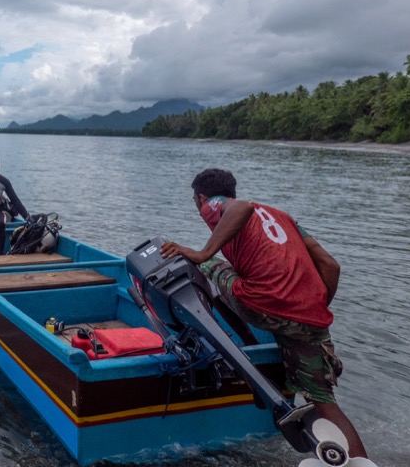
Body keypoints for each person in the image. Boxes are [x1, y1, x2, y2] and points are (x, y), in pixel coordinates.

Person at [158, 168, 369, 461]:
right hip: (308, 318)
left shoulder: (215, 204)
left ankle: (240, 341)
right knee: (324, 402)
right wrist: (314, 308)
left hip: (260, 303)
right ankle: (362, 462)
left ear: (202, 197)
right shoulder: (283, 217)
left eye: (197, 201)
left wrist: (202, 253)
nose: (201, 208)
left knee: (204, 267)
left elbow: (242, 207)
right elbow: (331, 266)